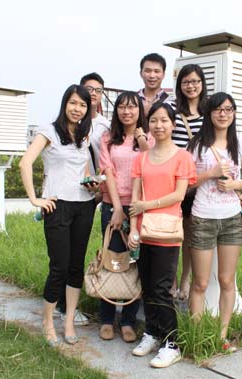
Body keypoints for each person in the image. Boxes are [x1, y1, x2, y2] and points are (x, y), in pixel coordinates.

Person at [20, 84, 95, 347]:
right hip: (57, 206)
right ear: (65, 104)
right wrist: (35, 199)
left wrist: (91, 183)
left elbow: (84, 171)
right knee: (59, 267)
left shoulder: (84, 136)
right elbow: (25, 163)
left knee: (76, 266)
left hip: (84, 206)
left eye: (83, 105)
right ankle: (48, 322)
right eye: (73, 103)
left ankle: (69, 321)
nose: (78, 109)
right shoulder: (49, 131)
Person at [127, 102, 196, 368]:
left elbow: (179, 195)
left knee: (162, 288)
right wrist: (133, 228)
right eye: (154, 120)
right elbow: (135, 198)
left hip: (166, 231)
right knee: (146, 285)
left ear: (173, 124)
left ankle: (172, 343)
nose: (159, 125)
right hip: (143, 231)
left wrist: (148, 205)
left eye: (164, 120)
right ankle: (152, 332)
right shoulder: (141, 158)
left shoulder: (182, 157)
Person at [187, 92, 242, 351]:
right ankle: (196, 336)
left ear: (234, 113)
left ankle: (221, 336)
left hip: (231, 219)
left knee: (227, 280)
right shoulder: (197, 145)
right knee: (200, 283)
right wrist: (210, 174)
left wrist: (233, 185)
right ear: (209, 113)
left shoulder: (240, 143)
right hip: (203, 217)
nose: (223, 114)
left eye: (228, 109)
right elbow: (186, 184)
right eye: (218, 109)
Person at [54, 72, 109, 326]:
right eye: (89, 89)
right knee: (62, 255)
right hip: (67, 195)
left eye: (98, 90)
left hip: (94, 192)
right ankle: (60, 304)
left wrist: (99, 190)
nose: (93, 93)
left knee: (78, 252)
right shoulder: (64, 125)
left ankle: (68, 304)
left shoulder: (105, 126)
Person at [97, 91, 151, 342]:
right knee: (113, 261)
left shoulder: (149, 137)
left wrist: (142, 139)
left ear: (140, 111)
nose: (127, 112)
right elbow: (108, 172)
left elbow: (153, 164)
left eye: (132, 107)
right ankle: (107, 319)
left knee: (135, 263)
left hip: (141, 207)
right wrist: (117, 208)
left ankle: (128, 320)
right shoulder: (108, 138)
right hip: (114, 205)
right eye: (122, 107)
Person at [170, 64, 207, 301]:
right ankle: (172, 280)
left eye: (195, 81)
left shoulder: (209, 111)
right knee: (173, 232)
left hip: (198, 181)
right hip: (173, 180)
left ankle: (185, 279)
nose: (191, 86)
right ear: (179, 85)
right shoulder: (172, 110)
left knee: (191, 235)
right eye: (186, 82)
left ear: (202, 83)